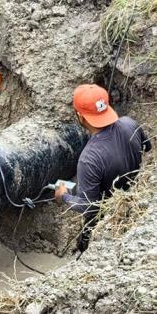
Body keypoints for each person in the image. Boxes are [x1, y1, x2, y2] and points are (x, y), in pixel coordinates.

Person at [55, 84, 152, 253]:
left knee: (87, 244)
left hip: (106, 217)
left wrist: (63, 196)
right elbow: (147, 147)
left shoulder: (89, 159)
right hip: (135, 199)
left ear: (80, 117)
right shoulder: (129, 123)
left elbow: (89, 206)